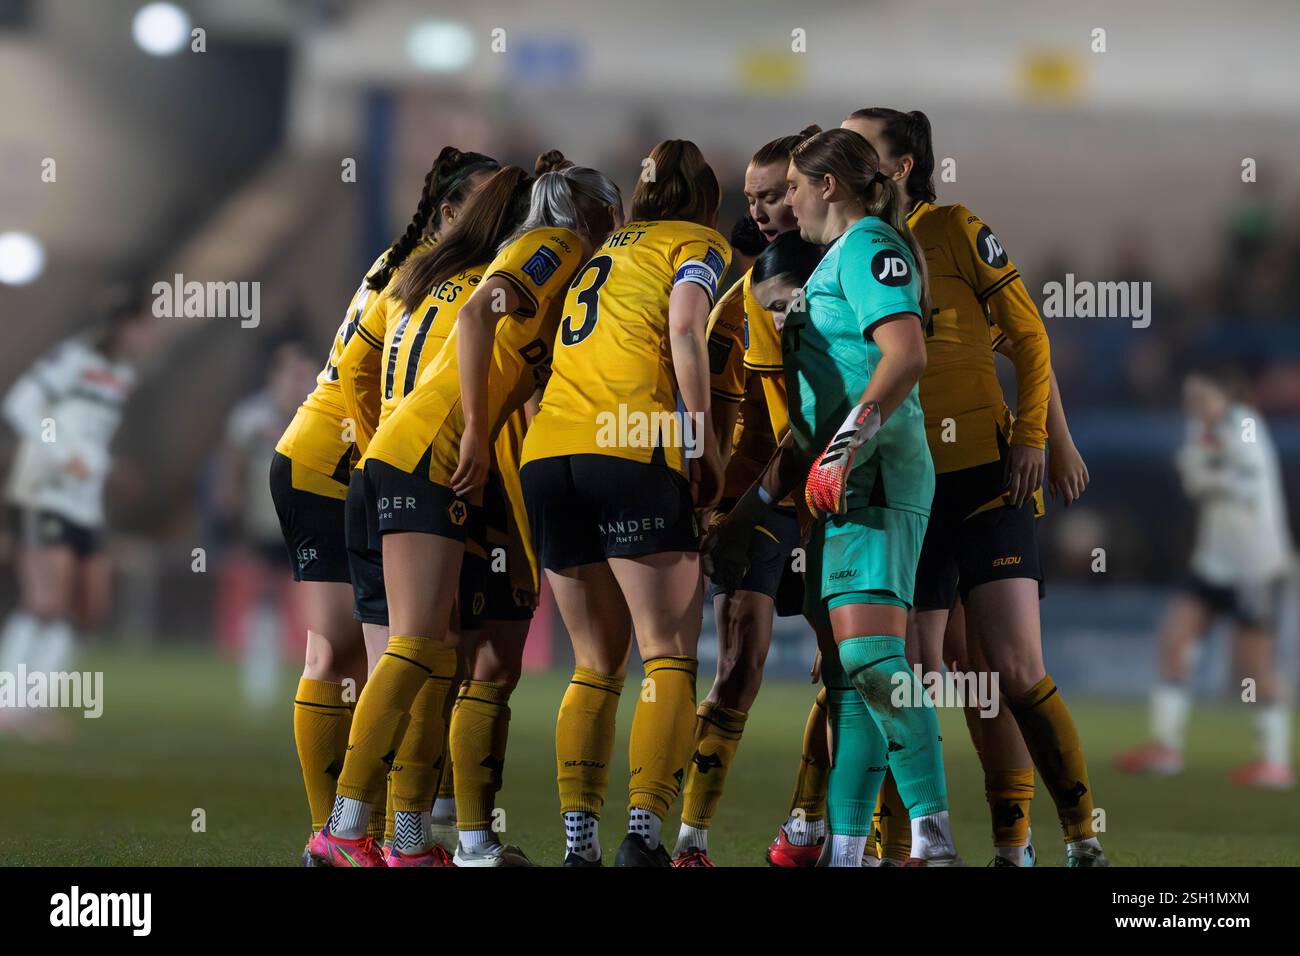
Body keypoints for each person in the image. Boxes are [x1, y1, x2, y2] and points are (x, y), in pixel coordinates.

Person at [309, 153, 622, 867]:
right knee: (420, 646)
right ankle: (344, 827)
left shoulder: (537, 263)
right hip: (431, 451)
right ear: (594, 211)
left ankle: (407, 842)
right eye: (613, 212)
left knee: (434, 653)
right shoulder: (555, 246)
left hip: (399, 453)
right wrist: (478, 429)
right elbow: (482, 315)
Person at [711, 128, 959, 866]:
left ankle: (935, 842)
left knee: (878, 662)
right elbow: (815, 418)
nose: (783, 202)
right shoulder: (828, 269)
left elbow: (905, 354)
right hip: (836, 482)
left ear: (827, 187)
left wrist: (849, 443)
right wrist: (747, 514)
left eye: (791, 187)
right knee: (852, 679)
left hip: (878, 474)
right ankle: (847, 851)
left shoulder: (870, 245)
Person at [273, 145, 498, 863]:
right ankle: (351, 834)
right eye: (490, 203)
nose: (504, 218)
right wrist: (381, 463)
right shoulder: (441, 275)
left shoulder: (398, 262)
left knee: (356, 655)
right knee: (385, 650)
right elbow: (370, 377)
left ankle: (352, 834)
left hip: (320, 455)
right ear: (451, 211)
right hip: (337, 460)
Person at [520, 139, 730, 866]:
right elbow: (683, 328)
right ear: (706, 199)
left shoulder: (600, 254)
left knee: (592, 666)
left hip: (549, 455)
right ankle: (643, 834)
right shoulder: (700, 244)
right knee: (668, 657)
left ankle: (580, 846)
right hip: (632, 445)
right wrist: (702, 444)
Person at [674, 127, 821, 866]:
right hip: (769, 490)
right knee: (743, 660)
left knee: (848, 669)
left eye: (775, 195)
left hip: (838, 493)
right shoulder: (745, 299)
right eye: (754, 197)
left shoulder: (861, 268)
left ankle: (808, 828)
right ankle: (691, 837)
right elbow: (741, 418)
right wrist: (723, 507)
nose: (761, 211)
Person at [1117, 370, 1295, 789]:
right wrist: (1204, 470)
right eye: (1189, 397)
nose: (1194, 404)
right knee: (1175, 640)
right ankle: (1166, 747)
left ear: (1226, 395)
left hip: (1255, 566)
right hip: (1212, 562)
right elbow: (1196, 482)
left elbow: (1242, 486)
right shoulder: (1201, 429)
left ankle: (1275, 763)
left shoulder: (1246, 424)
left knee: (1252, 669)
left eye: (1202, 396)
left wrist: (1207, 469)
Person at [1, 284, 152, 735]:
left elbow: (90, 441)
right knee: (45, 601)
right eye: (145, 326)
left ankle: (35, 703)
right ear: (125, 325)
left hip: (85, 503)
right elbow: (21, 406)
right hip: (45, 492)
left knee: (88, 607)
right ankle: (10, 704)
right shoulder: (71, 359)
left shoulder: (122, 376)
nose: (149, 336)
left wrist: (105, 470)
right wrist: (61, 451)